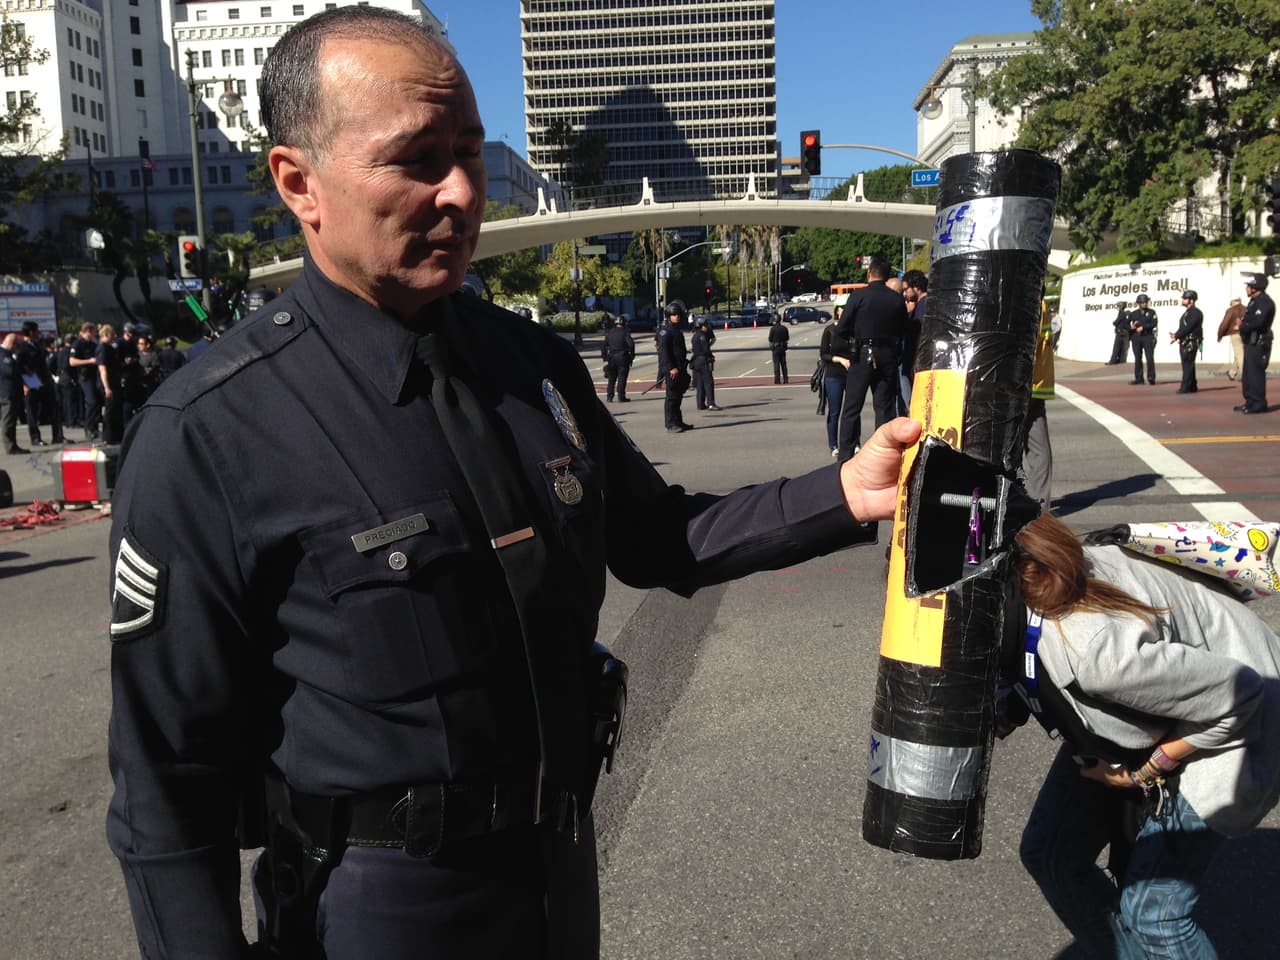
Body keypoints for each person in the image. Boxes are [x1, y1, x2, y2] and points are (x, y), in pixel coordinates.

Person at [104, 10, 923, 958]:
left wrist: (847, 492)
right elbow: (167, 783)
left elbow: (659, 536)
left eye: (468, 153)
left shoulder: (529, 365)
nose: (460, 192)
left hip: (556, 867)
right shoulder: (211, 431)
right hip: (377, 904)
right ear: (300, 183)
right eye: (415, 159)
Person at [1006, 512, 1280, 959]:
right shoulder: (1034, 570)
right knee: (1050, 854)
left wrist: (1142, 774)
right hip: (1157, 707)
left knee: (1155, 918)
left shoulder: (1095, 654)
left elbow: (1242, 695)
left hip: (1245, 720)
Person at [834, 256, 907, 462]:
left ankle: (846, 456)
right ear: (886, 276)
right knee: (884, 408)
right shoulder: (896, 299)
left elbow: (841, 329)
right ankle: (884, 455)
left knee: (851, 408)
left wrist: (855, 337)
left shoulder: (859, 297)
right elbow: (904, 329)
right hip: (888, 355)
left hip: (862, 353)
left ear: (869, 274)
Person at [1019, 300, 1055, 512]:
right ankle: (1036, 509)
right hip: (1032, 387)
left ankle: (1029, 507)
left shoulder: (1031, 301)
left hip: (1025, 387)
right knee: (1039, 453)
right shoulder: (1038, 303)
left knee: (1029, 453)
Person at [1236, 272, 1275, 414]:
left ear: (1255, 287)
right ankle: (1250, 401)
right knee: (1247, 374)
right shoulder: (1254, 301)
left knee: (1255, 374)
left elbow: (1258, 323)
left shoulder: (1264, 302)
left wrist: (1241, 326)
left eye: (1248, 286)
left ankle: (1258, 403)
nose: (1246, 288)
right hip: (1250, 342)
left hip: (1258, 342)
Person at [17, 320, 61, 446]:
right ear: (31, 332)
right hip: (31, 380)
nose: (38, 333)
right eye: (36, 331)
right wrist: (25, 384)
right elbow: (20, 367)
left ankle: (57, 435)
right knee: (32, 410)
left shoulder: (38, 345)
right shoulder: (22, 348)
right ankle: (35, 438)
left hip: (44, 380)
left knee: (53, 408)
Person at [819, 302, 854, 458]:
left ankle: (855, 442)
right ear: (836, 312)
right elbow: (824, 354)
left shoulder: (852, 330)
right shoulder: (829, 331)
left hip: (851, 373)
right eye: (842, 309)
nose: (844, 312)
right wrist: (839, 359)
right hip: (834, 375)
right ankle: (833, 444)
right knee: (835, 412)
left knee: (853, 410)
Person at [657, 301, 692, 432]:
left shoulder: (675, 330)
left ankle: (678, 421)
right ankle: (670, 424)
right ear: (668, 316)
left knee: (678, 397)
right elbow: (664, 352)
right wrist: (671, 367)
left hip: (680, 367)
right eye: (674, 314)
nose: (677, 316)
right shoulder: (665, 332)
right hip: (672, 369)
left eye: (678, 314)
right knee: (671, 397)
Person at [900, 270, 927, 415]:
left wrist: (915, 363)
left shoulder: (924, 306)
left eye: (906, 289)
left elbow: (920, 337)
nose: (905, 294)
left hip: (916, 363)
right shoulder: (919, 306)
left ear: (916, 286)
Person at [68, 321, 101, 440]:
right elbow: (72, 362)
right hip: (85, 377)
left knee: (96, 402)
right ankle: (88, 427)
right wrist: (89, 361)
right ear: (88, 331)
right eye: (93, 332)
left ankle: (94, 427)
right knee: (92, 401)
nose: (94, 334)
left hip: (94, 376)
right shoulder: (78, 344)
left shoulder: (93, 344)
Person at [1169, 289, 1203, 394]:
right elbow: (1183, 327)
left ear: (1191, 301)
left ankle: (1185, 387)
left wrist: (1177, 335)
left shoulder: (1196, 313)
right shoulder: (1187, 313)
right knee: (1188, 364)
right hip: (1185, 340)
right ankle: (1192, 386)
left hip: (1191, 341)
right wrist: (1176, 334)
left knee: (1187, 364)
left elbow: (1189, 327)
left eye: (1185, 298)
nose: (1182, 300)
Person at [95, 323, 123, 443]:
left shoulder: (110, 348)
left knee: (116, 410)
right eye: (112, 334)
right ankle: (108, 436)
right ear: (106, 334)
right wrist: (107, 387)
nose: (115, 336)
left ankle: (116, 435)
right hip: (108, 384)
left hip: (115, 382)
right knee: (110, 411)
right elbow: (103, 369)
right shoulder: (102, 348)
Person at [0, 332, 26, 455]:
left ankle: (13, 444)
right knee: (8, 420)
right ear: (11, 343)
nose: (17, 349)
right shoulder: (2, 354)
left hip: (9, 392)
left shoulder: (7, 354)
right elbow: (8, 371)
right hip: (6, 392)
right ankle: (10, 447)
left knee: (11, 419)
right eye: (17, 346)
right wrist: (17, 364)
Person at [601, 317, 634, 403]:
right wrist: (632, 355)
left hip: (612, 357)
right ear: (623, 323)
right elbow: (631, 344)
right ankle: (621, 396)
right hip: (622, 357)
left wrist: (604, 356)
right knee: (622, 378)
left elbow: (604, 345)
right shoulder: (625, 332)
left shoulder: (609, 333)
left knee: (611, 378)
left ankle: (609, 396)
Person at [691, 317, 720, 411]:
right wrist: (710, 357)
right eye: (705, 325)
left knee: (700, 383)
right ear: (700, 326)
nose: (706, 327)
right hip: (703, 360)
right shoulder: (702, 336)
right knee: (708, 382)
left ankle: (700, 403)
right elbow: (705, 350)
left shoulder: (695, 335)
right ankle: (711, 404)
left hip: (696, 361)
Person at [1128, 294, 1157, 384]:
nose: (1144, 304)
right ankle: (1139, 379)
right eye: (1142, 302)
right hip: (1136, 338)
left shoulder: (1152, 312)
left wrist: (1143, 327)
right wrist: (1131, 327)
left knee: (1149, 358)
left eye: (1145, 302)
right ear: (1138, 303)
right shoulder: (1133, 313)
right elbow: (1125, 325)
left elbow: (1154, 323)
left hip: (1147, 336)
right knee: (1137, 358)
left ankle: (1151, 377)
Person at [1215, 296, 1245, 380]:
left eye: (1231, 303)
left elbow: (1225, 323)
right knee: (1239, 354)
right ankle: (1232, 372)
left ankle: (1245, 375)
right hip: (1246, 333)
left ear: (1233, 302)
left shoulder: (1231, 310)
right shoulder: (1246, 309)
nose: (1230, 304)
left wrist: (1219, 335)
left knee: (1240, 355)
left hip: (1235, 334)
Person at [768, 314, 790, 384]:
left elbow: (770, 338)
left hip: (776, 348)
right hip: (783, 347)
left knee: (776, 364)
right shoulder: (784, 328)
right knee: (783, 364)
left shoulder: (773, 329)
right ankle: (785, 379)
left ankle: (777, 380)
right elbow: (787, 338)